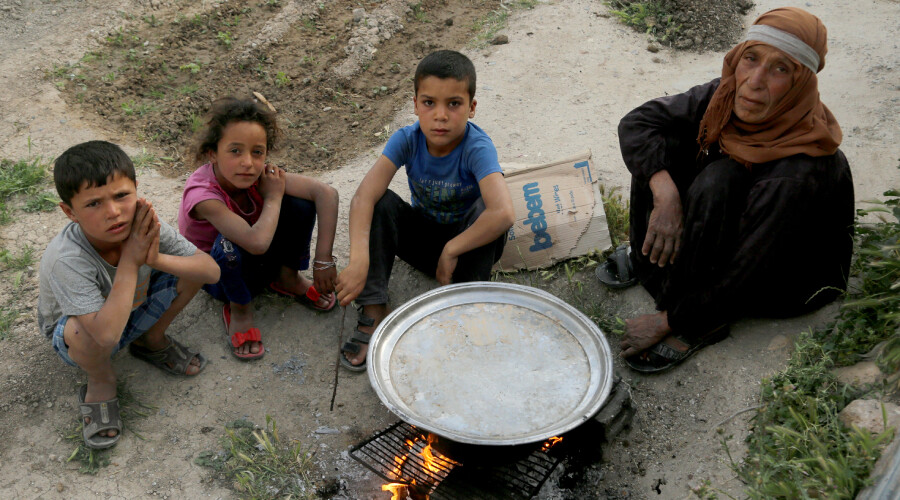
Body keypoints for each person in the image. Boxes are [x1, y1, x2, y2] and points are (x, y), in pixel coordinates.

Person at [613, 7, 854, 373]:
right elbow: (638, 123)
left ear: (799, 84)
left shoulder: (798, 173)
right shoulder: (726, 95)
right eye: (751, 59)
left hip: (786, 275)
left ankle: (700, 322)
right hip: (743, 225)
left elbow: (749, 272)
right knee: (668, 143)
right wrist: (666, 194)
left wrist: (669, 320)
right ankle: (650, 263)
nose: (754, 81)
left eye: (780, 68)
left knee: (717, 180)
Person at [334, 50, 515, 372]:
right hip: (424, 240)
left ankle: (463, 310)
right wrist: (359, 258)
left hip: (467, 248)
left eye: (454, 104)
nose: (441, 115)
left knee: (488, 207)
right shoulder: (407, 140)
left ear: (472, 107)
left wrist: (451, 249)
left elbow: (503, 213)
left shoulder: (477, 146)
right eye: (429, 103)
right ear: (415, 104)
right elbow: (362, 197)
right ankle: (374, 308)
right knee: (381, 201)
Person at [38, 140, 220, 449]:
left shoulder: (144, 226)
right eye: (93, 203)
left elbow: (210, 272)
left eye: (122, 195)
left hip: (130, 309)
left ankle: (149, 340)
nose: (113, 212)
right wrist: (131, 260)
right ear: (69, 211)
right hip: (84, 334)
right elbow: (105, 337)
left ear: (136, 189)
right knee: (81, 330)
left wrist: (154, 259)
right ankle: (101, 380)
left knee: (188, 269)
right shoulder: (66, 258)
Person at [179, 97, 339, 361]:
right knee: (226, 246)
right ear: (212, 153)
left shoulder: (258, 174)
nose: (248, 163)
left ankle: (287, 278)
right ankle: (240, 308)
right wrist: (274, 197)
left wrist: (323, 259)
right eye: (235, 151)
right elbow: (256, 243)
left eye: (257, 152)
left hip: (259, 259)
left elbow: (326, 193)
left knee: (300, 203)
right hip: (221, 277)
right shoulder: (203, 195)